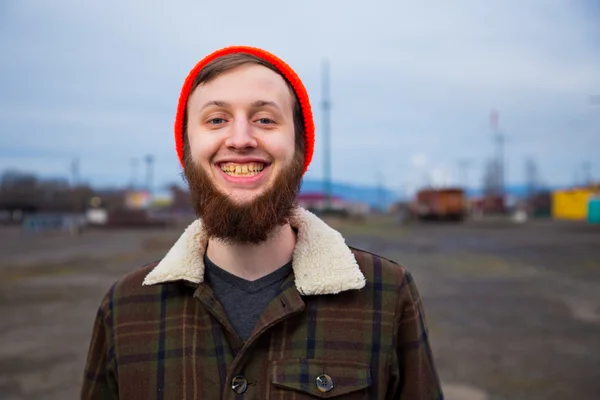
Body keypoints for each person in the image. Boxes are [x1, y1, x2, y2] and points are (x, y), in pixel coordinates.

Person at [81, 45, 443, 399]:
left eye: (265, 119)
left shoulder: (386, 294)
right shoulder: (125, 308)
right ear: (187, 147)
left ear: (300, 147)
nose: (240, 140)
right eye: (216, 120)